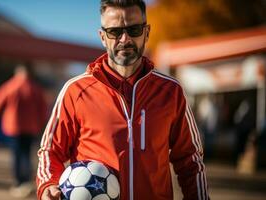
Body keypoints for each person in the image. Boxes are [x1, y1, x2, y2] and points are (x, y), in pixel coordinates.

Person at [36, 0, 209, 199]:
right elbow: (50, 151)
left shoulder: (171, 92)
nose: (124, 39)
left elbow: (190, 159)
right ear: (102, 37)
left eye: (134, 29)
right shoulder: (75, 91)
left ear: (147, 32)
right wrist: (48, 183)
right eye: (115, 32)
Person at [0, 65, 47, 198]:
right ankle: (26, 181)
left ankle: (19, 182)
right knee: (26, 154)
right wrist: (42, 126)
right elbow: (43, 109)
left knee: (17, 155)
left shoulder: (10, 86)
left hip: (14, 128)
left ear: (17, 73)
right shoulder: (35, 88)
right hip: (31, 128)